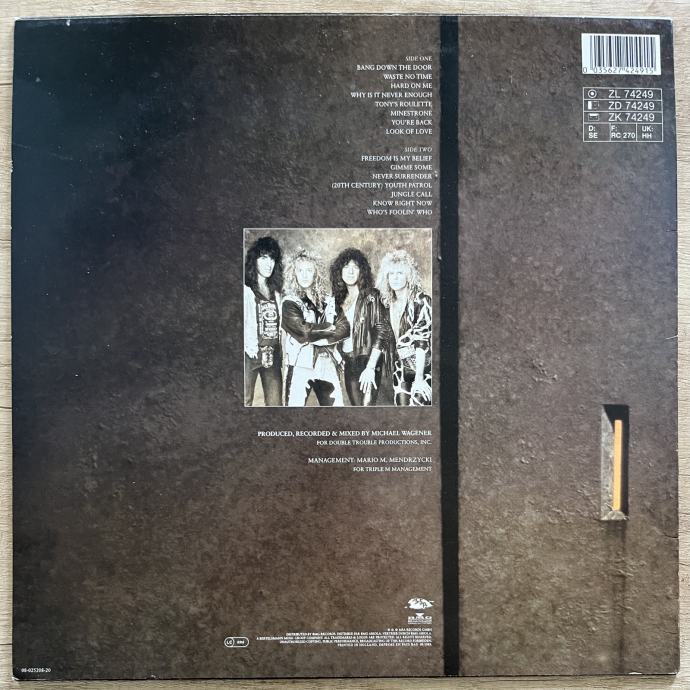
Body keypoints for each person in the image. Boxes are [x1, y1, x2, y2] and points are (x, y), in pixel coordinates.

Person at [282, 248, 349, 406]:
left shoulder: (328, 300)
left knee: (337, 410)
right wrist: (330, 327)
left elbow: (345, 327)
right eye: (300, 270)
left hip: (326, 361)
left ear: (315, 273)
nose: (305, 275)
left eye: (309, 270)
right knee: (293, 410)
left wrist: (323, 340)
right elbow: (304, 331)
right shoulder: (289, 302)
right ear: (294, 273)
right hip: (300, 363)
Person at [330, 248, 391, 406]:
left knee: (365, 410)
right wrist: (337, 353)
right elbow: (333, 332)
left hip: (367, 360)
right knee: (356, 409)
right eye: (346, 267)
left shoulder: (372, 296)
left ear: (361, 271)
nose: (350, 272)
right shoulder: (337, 301)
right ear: (339, 272)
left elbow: (383, 331)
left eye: (355, 267)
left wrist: (370, 367)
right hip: (348, 362)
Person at [375, 249, 432, 406]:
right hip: (400, 368)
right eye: (391, 274)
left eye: (400, 273)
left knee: (418, 406)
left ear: (409, 276)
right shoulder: (387, 304)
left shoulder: (421, 301)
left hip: (424, 367)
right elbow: (383, 336)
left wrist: (419, 379)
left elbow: (422, 342)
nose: (395, 278)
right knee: (402, 410)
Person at [244, 236, 283, 406]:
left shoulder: (277, 293)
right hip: (249, 355)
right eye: (264, 258)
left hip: (272, 355)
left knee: (275, 404)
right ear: (254, 260)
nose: (269, 264)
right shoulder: (245, 290)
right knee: (244, 401)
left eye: (272, 259)